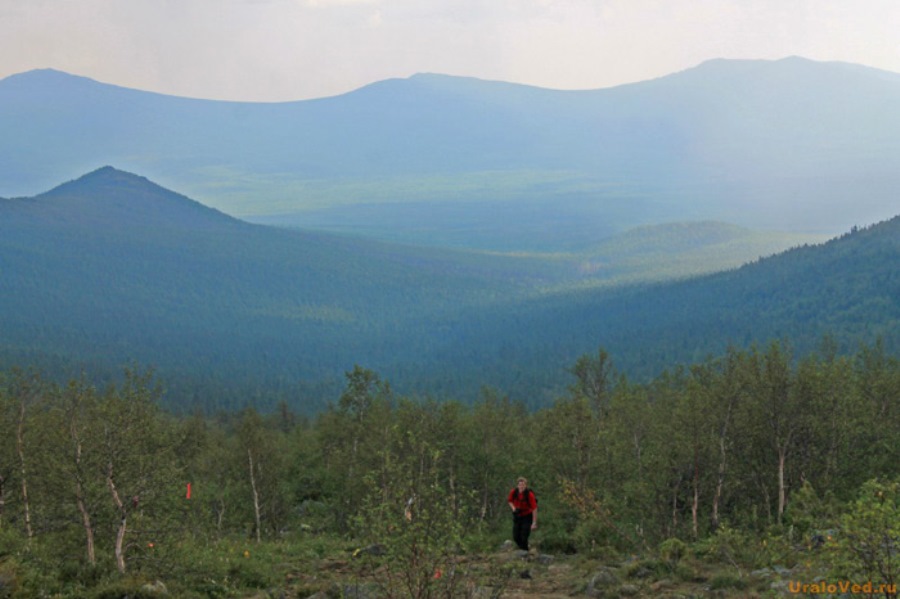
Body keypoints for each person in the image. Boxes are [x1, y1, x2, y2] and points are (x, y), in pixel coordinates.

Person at [507, 477, 537, 552]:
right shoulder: (514, 492)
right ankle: (523, 549)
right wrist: (513, 508)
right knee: (516, 536)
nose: (521, 486)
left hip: (527, 515)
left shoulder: (529, 494)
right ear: (517, 485)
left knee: (524, 536)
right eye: (520, 485)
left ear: (526, 485)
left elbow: (534, 508)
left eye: (523, 485)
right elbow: (510, 501)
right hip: (517, 515)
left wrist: (534, 522)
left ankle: (525, 551)